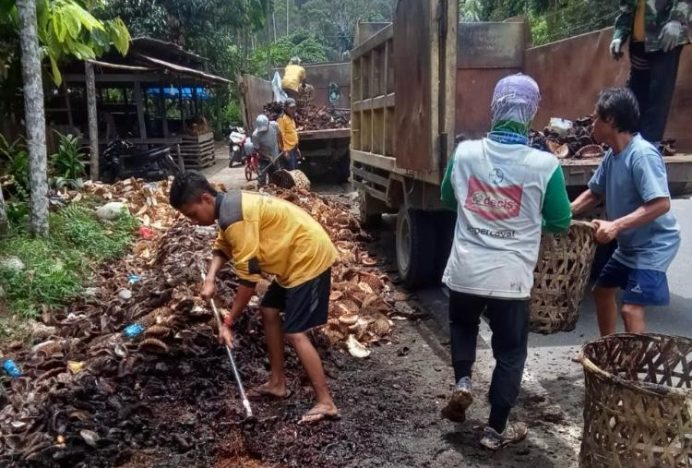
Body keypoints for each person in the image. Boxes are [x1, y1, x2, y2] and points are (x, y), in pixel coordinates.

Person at [439, 74, 572, 450]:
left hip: (465, 271)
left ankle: (463, 381)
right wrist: (528, 218)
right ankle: (494, 430)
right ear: (531, 112)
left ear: (494, 107)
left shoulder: (464, 153)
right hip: (511, 279)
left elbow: (449, 198)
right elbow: (561, 221)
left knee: (462, 325)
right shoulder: (545, 165)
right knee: (510, 352)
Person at [169, 171, 340, 423]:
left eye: (193, 214)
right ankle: (277, 383)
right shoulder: (228, 207)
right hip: (292, 259)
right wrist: (210, 278)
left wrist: (228, 323)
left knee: (295, 331)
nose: (194, 222)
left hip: (308, 257)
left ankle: (326, 402)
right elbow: (222, 245)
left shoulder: (235, 216)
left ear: (206, 198)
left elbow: (248, 282)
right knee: (269, 310)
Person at [571, 87, 680, 336]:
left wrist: (616, 226)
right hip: (630, 246)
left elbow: (661, 203)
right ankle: (608, 351)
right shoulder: (612, 155)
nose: (592, 125)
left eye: (596, 118)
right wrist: (567, 211)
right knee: (602, 291)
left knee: (631, 309)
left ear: (610, 120)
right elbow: (594, 192)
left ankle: (632, 371)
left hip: (654, 245)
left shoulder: (641, 155)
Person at [610, 0, 690, 145]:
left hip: (666, 38)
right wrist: (619, 35)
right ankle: (629, 142)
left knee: (659, 92)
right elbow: (626, 8)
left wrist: (677, 20)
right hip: (639, 41)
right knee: (635, 92)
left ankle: (650, 146)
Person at [251, 114, 281, 186]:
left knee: (277, 176)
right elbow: (256, 149)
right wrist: (268, 156)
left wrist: (281, 145)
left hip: (275, 156)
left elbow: (279, 134)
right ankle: (261, 192)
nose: (264, 131)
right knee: (262, 177)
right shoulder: (255, 135)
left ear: (268, 123)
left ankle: (274, 191)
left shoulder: (274, 125)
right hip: (263, 158)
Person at [277, 98, 300, 171]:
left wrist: (297, 148)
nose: (293, 110)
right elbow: (280, 135)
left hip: (294, 148)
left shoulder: (291, 118)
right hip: (288, 150)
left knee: (295, 169)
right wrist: (284, 151)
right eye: (291, 108)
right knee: (290, 171)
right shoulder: (281, 118)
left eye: (294, 108)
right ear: (286, 108)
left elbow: (293, 132)